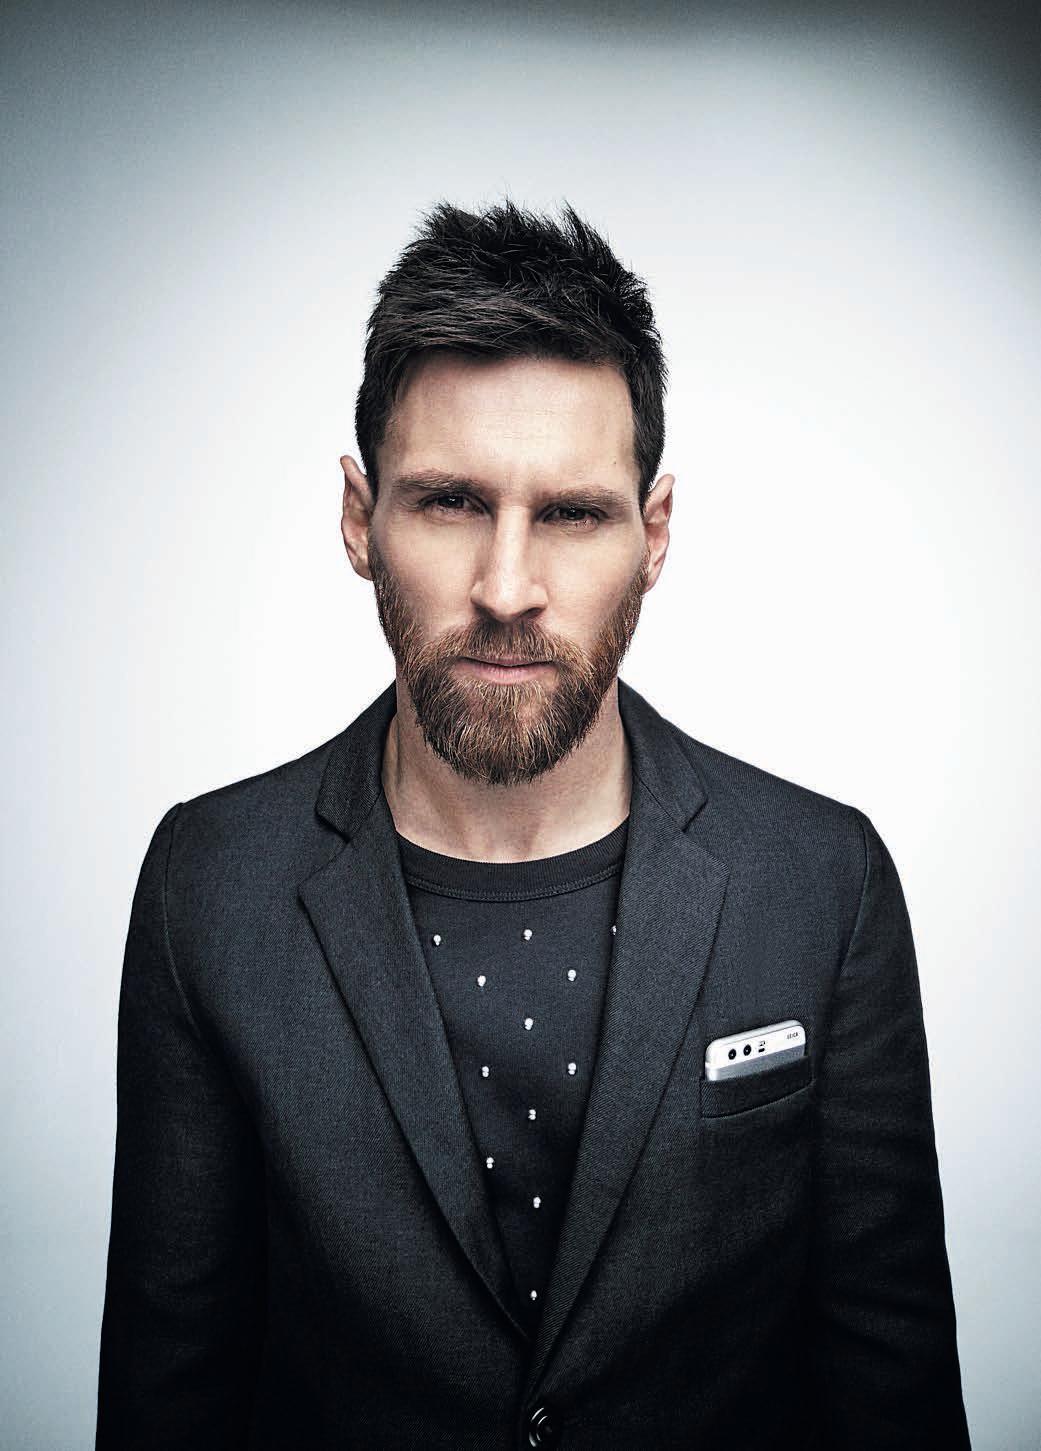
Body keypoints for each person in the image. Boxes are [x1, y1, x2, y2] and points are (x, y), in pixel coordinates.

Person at [95, 201, 970, 1450]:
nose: (507, 588)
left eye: (570, 512)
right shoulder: (210, 885)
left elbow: (897, 1400)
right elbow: (168, 1396)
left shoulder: (823, 884)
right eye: (451, 501)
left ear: (653, 536)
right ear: (359, 517)